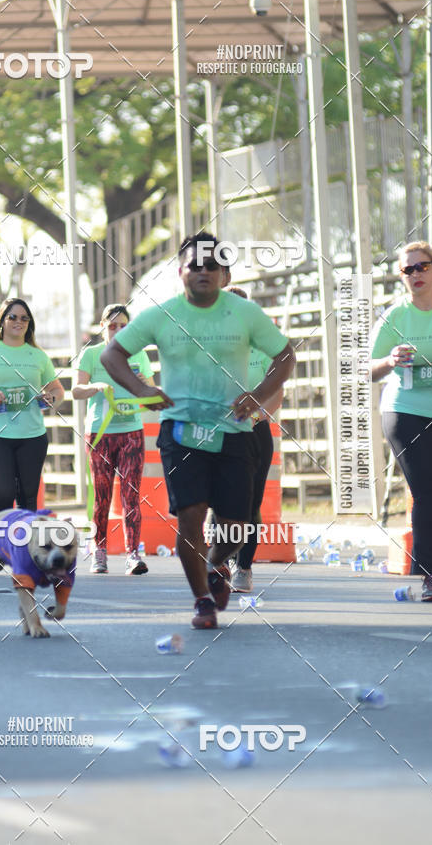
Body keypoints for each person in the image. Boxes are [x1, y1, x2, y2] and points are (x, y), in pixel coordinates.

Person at [101, 233, 295, 628]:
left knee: (236, 526)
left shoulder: (244, 313)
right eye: (195, 264)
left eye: (212, 265)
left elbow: (285, 354)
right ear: (180, 272)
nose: (203, 271)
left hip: (235, 432)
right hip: (181, 432)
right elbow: (112, 353)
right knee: (190, 517)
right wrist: (142, 389)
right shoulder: (163, 313)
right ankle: (203, 601)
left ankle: (217, 561)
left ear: (224, 274)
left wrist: (258, 395)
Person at [371, 241, 432, 602]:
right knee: (430, 491)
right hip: (408, 410)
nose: (416, 274)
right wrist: (390, 360)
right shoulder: (395, 316)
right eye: (408, 270)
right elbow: (365, 369)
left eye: (422, 267)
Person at [0, 298, 65, 516]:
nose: (19, 322)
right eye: (13, 317)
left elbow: (58, 390)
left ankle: (23, 547)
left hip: (33, 436)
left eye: (25, 318)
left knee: (27, 496)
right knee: (3, 493)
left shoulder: (38, 355)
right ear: (2, 321)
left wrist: (50, 398)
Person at [73, 304, 154, 575]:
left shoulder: (139, 355)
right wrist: (95, 387)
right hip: (100, 432)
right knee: (102, 495)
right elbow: (76, 390)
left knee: (131, 494)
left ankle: (133, 553)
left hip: (131, 431)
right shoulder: (92, 355)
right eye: (112, 325)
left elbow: (153, 395)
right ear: (102, 326)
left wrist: (144, 385)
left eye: (123, 326)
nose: (118, 330)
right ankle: (100, 552)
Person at [222, 281, 284, 594]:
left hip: (255, 431)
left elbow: (277, 391)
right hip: (217, 431)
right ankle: (220, 557)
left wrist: (257, 416)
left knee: (250, 504)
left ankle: (243, 568)